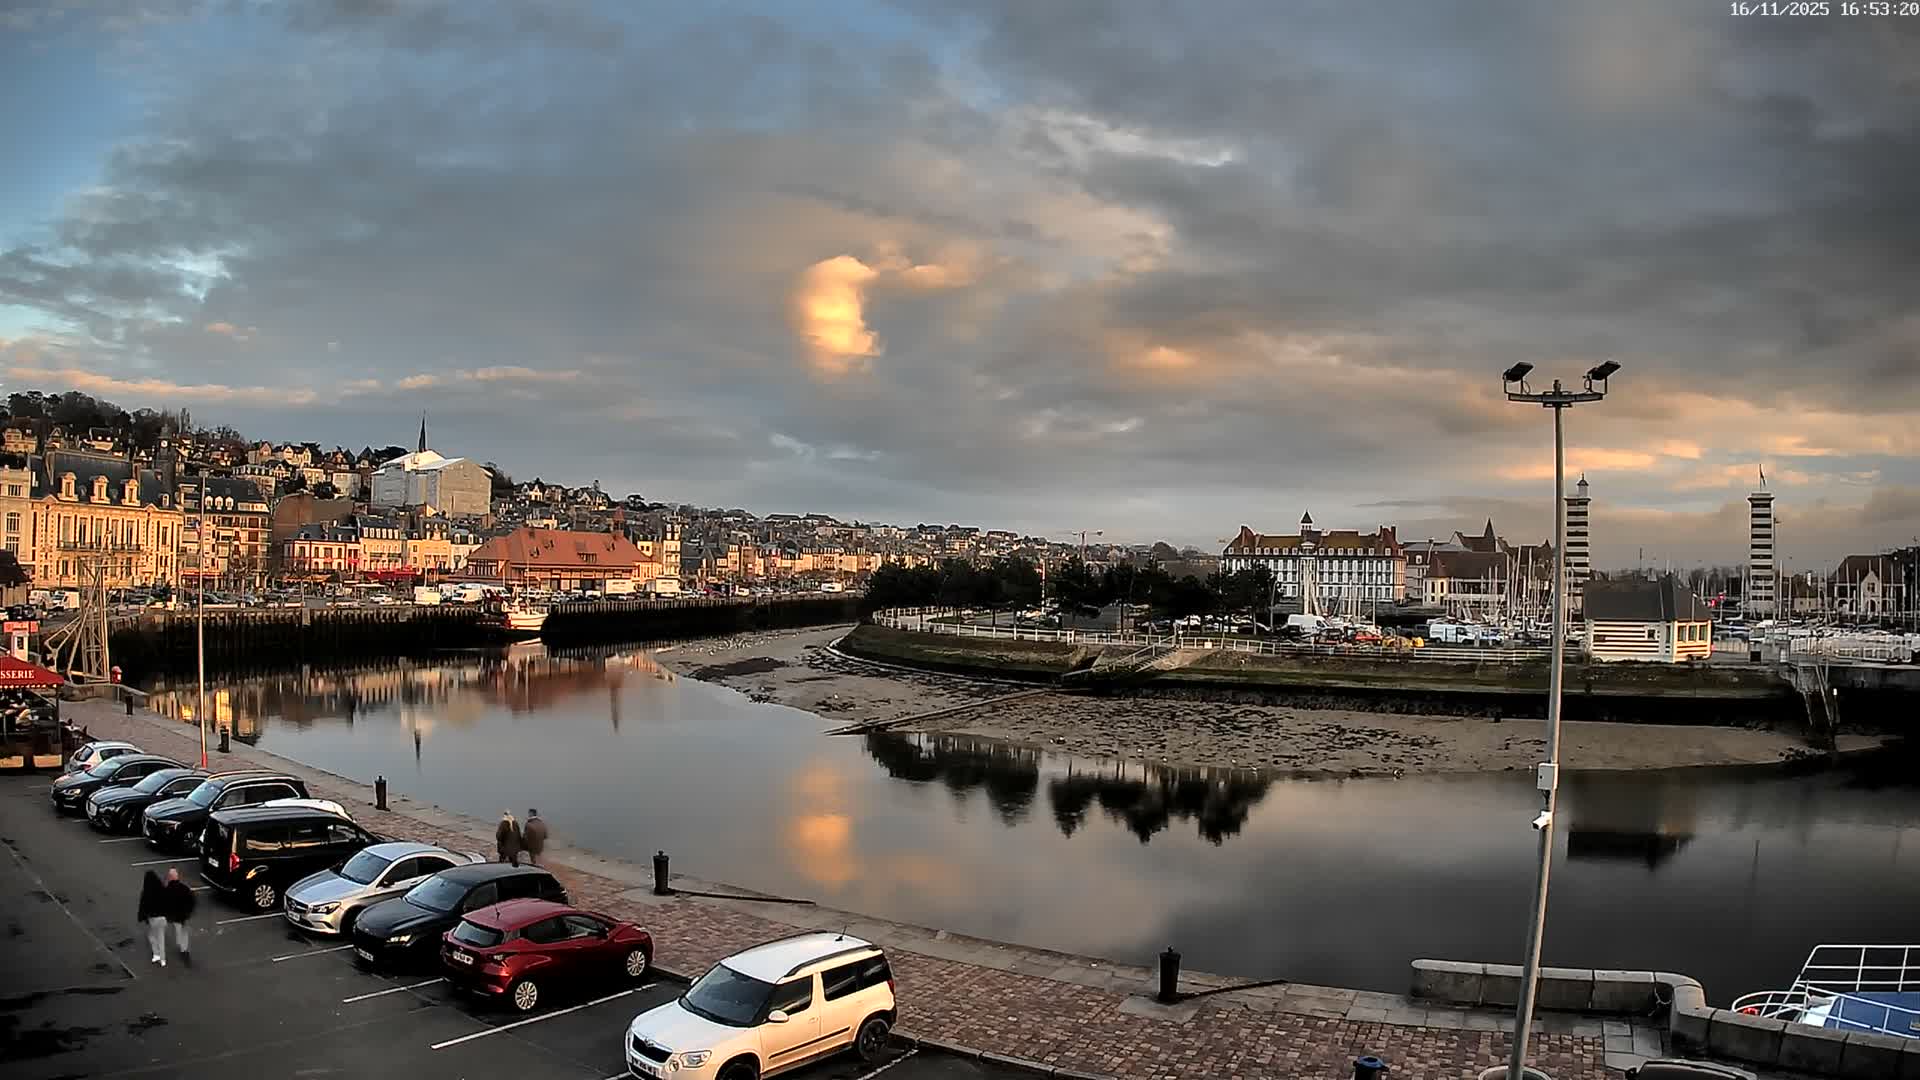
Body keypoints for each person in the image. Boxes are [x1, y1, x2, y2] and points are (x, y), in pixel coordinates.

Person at [163, 868, 196, 964]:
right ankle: (183, 949)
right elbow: (191, 901)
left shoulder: (167, 889)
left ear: (169, 878)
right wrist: (189, 912)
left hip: (173, 916)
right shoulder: (184, 888)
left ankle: (181, 946)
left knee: (178, 929)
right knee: (182, 931)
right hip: (182, 916)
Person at [138, 870, 167, 966]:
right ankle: (163, 959)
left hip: (153, 919)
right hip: (163, 918)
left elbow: (143, 906)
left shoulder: (146, 892)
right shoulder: (162, 889)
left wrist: (142, 917)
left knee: (151, 936)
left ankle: (156, 954)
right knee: (161, 938)